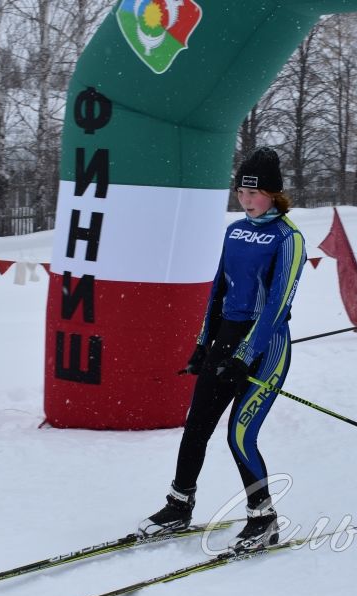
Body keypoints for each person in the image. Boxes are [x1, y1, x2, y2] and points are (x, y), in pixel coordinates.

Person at [139, 147, 306, 551]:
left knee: (240, 436)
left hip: (266, 348)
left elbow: (276, 307)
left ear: (274, 194)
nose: (247, 200)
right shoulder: (234, 231)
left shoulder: (288, 239)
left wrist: (243, 356)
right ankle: (179, 506)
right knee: (196, 427)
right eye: (242, 192)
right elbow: (219, 290)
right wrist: (202, 346)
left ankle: (263, 519)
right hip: (227, 341)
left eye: (255, 193)